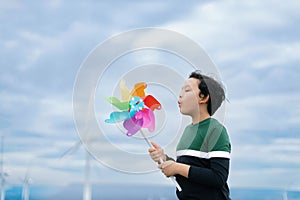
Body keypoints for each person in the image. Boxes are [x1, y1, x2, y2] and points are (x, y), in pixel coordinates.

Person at [149, 70, 231, 200]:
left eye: (187, 91)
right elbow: (189, 168)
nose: (180, 95)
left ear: (203, 97)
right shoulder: (188, 130)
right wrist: (164, 158)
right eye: (181, 90)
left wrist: (176, 167)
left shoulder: (216, 130)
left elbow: (218, 177)